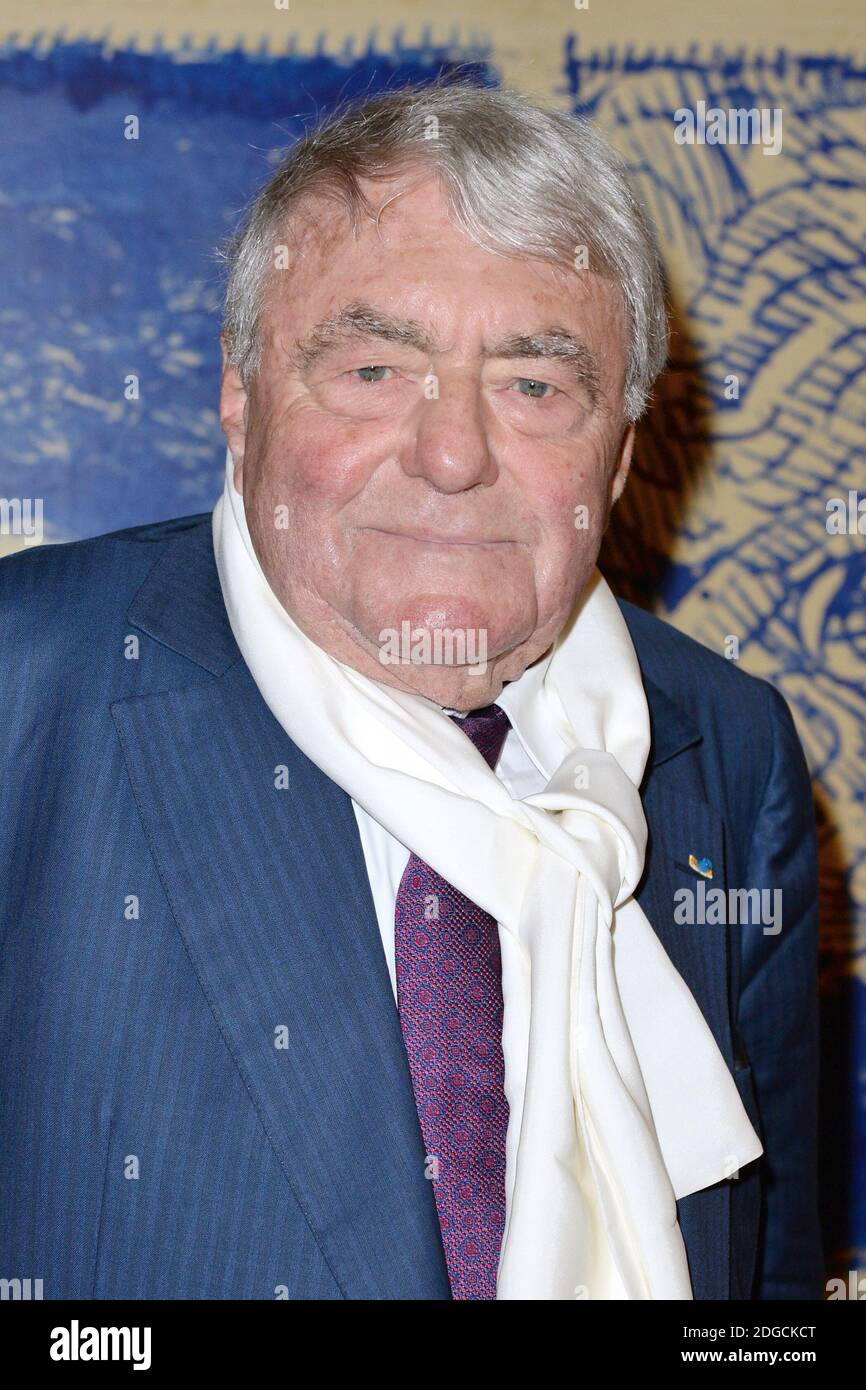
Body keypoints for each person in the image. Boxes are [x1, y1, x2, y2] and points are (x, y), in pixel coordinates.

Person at [0, 79, 823, 1300]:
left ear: (624, 446)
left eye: (534, 387)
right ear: (239, 392)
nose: (453, 455)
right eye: (377, 368)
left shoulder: (725, 745)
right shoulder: (29, 683)